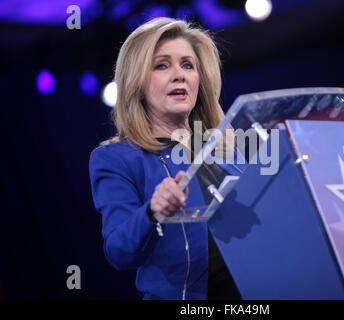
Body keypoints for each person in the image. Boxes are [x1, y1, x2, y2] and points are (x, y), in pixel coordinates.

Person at [89, 17, 243, 300]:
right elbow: (118, 251)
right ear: (136, 81)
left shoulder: (227, 148)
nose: (179, 74)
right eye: (162, 65)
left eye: (188, 64)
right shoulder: (116, 159)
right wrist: (152, 211)